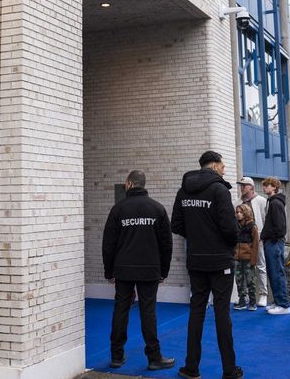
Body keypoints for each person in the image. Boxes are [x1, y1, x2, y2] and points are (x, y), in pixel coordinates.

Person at [171, 151, 243, 379]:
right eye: (222, 165)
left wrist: (197, 237)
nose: (224, 169)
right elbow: (230, 229)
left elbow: (177, 224)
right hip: (220, 260)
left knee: (196, 311)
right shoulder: (220, 190)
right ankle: (229, 370)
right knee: (222, 314)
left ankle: (191, 368)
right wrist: (228, 244)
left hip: (196, 260)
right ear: (213, 166)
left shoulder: (184, 191)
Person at [102, 170, 176, 371]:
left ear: (128, 184)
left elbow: (108, 243)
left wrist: (109, 272)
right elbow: (166, 244)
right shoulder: (157, 209)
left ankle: (117, 356)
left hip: (123, 269)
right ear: (143, 185)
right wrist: (164, 271)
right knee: (148, 312)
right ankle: (154, 358)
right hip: (149, 269)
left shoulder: (118, 209)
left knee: (121, 310)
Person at [260, 177, 290, 315]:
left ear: (274, 187)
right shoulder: (272, 202)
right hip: (272, 241)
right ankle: (278, 302)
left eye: (267, 185)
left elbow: (280, 227)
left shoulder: (275, 203)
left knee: (277, 273)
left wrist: (269, 238)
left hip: (274, 242)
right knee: (273, 273)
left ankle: (283, 304)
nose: (264, 188)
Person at [237, 177, 269, 308]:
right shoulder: (237, 202)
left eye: (244, 185)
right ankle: (243, 297)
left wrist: (264, 235)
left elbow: (265, 218)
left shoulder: (261, 200)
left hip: (257, 237)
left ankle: (263, 294)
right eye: (241, 185)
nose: (242, 188)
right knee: (241, 270)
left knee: (260, 265)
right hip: (242, 243)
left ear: (251, 187)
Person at [233, 204, 259, 310]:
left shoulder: (252, 226)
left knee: (250, 281)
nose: (238, 214)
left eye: (241, 212)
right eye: (237, 212)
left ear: (246, 213)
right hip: (237, 257)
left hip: (248, 258)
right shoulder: (235, 225)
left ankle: (253, 302)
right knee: (239, 280)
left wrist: (253, 259)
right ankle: (242, 301)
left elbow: (256, 243)